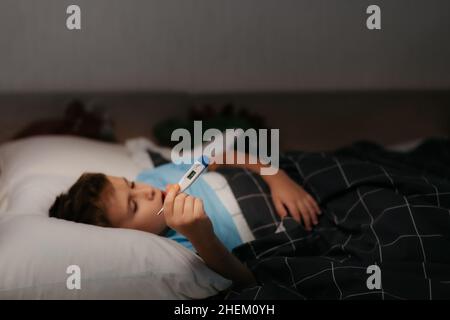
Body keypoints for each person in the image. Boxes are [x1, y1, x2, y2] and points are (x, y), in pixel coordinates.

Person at [49, 152, 321, 290]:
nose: (147, 191)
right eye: (134, 205)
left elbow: (215, 158)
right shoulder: (174, 254)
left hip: (279, 180)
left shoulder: (153, 177)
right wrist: (200, 235)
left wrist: (275, 175)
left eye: (131, 184)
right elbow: (247, 281)